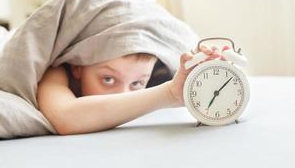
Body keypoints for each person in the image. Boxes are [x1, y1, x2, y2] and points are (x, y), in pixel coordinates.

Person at [36, 43, 225, 135]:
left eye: (136, 84)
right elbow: (65, 118)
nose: (123, 96)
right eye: (108, 79)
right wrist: (169, 94)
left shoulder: (160, 70)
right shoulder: (58, 69)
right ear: (77, 67)